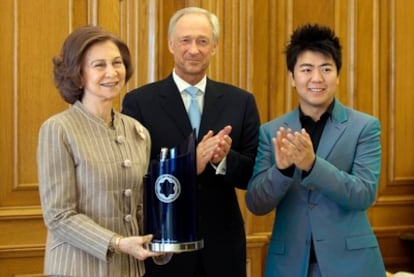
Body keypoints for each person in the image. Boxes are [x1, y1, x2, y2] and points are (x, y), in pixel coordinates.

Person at [122, 7, 260, 277]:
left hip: (223, 247)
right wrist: (186, 165)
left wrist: (223, 160)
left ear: (215, 47)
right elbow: (131, 173)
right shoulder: (139, 102)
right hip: (164, 244)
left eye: (203, 41)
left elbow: (252, 174)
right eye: (185, 40)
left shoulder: (240, 102)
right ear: (171, 44)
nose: (194, 49)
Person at [245, 24, 386, 277]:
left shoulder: (364, 127)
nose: (317, 79)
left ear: (338, 75)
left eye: (326, 69)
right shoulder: (271, 131)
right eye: (306, 69)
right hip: (289, 266)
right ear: (292, 77)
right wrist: (283, 170)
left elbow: (364, 194)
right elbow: (256, 202)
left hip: (352, 265)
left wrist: (312, 166)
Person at [37, 25, 162, 277]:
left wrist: (163, 239)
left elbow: (138, 206)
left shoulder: (137, 131)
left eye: (117, 63)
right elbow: (59, 216)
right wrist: (117, 243)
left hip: (130, 270)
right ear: (78, 75)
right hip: (76, 269)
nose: (112, 72)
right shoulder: (58, 129)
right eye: (99, 65)